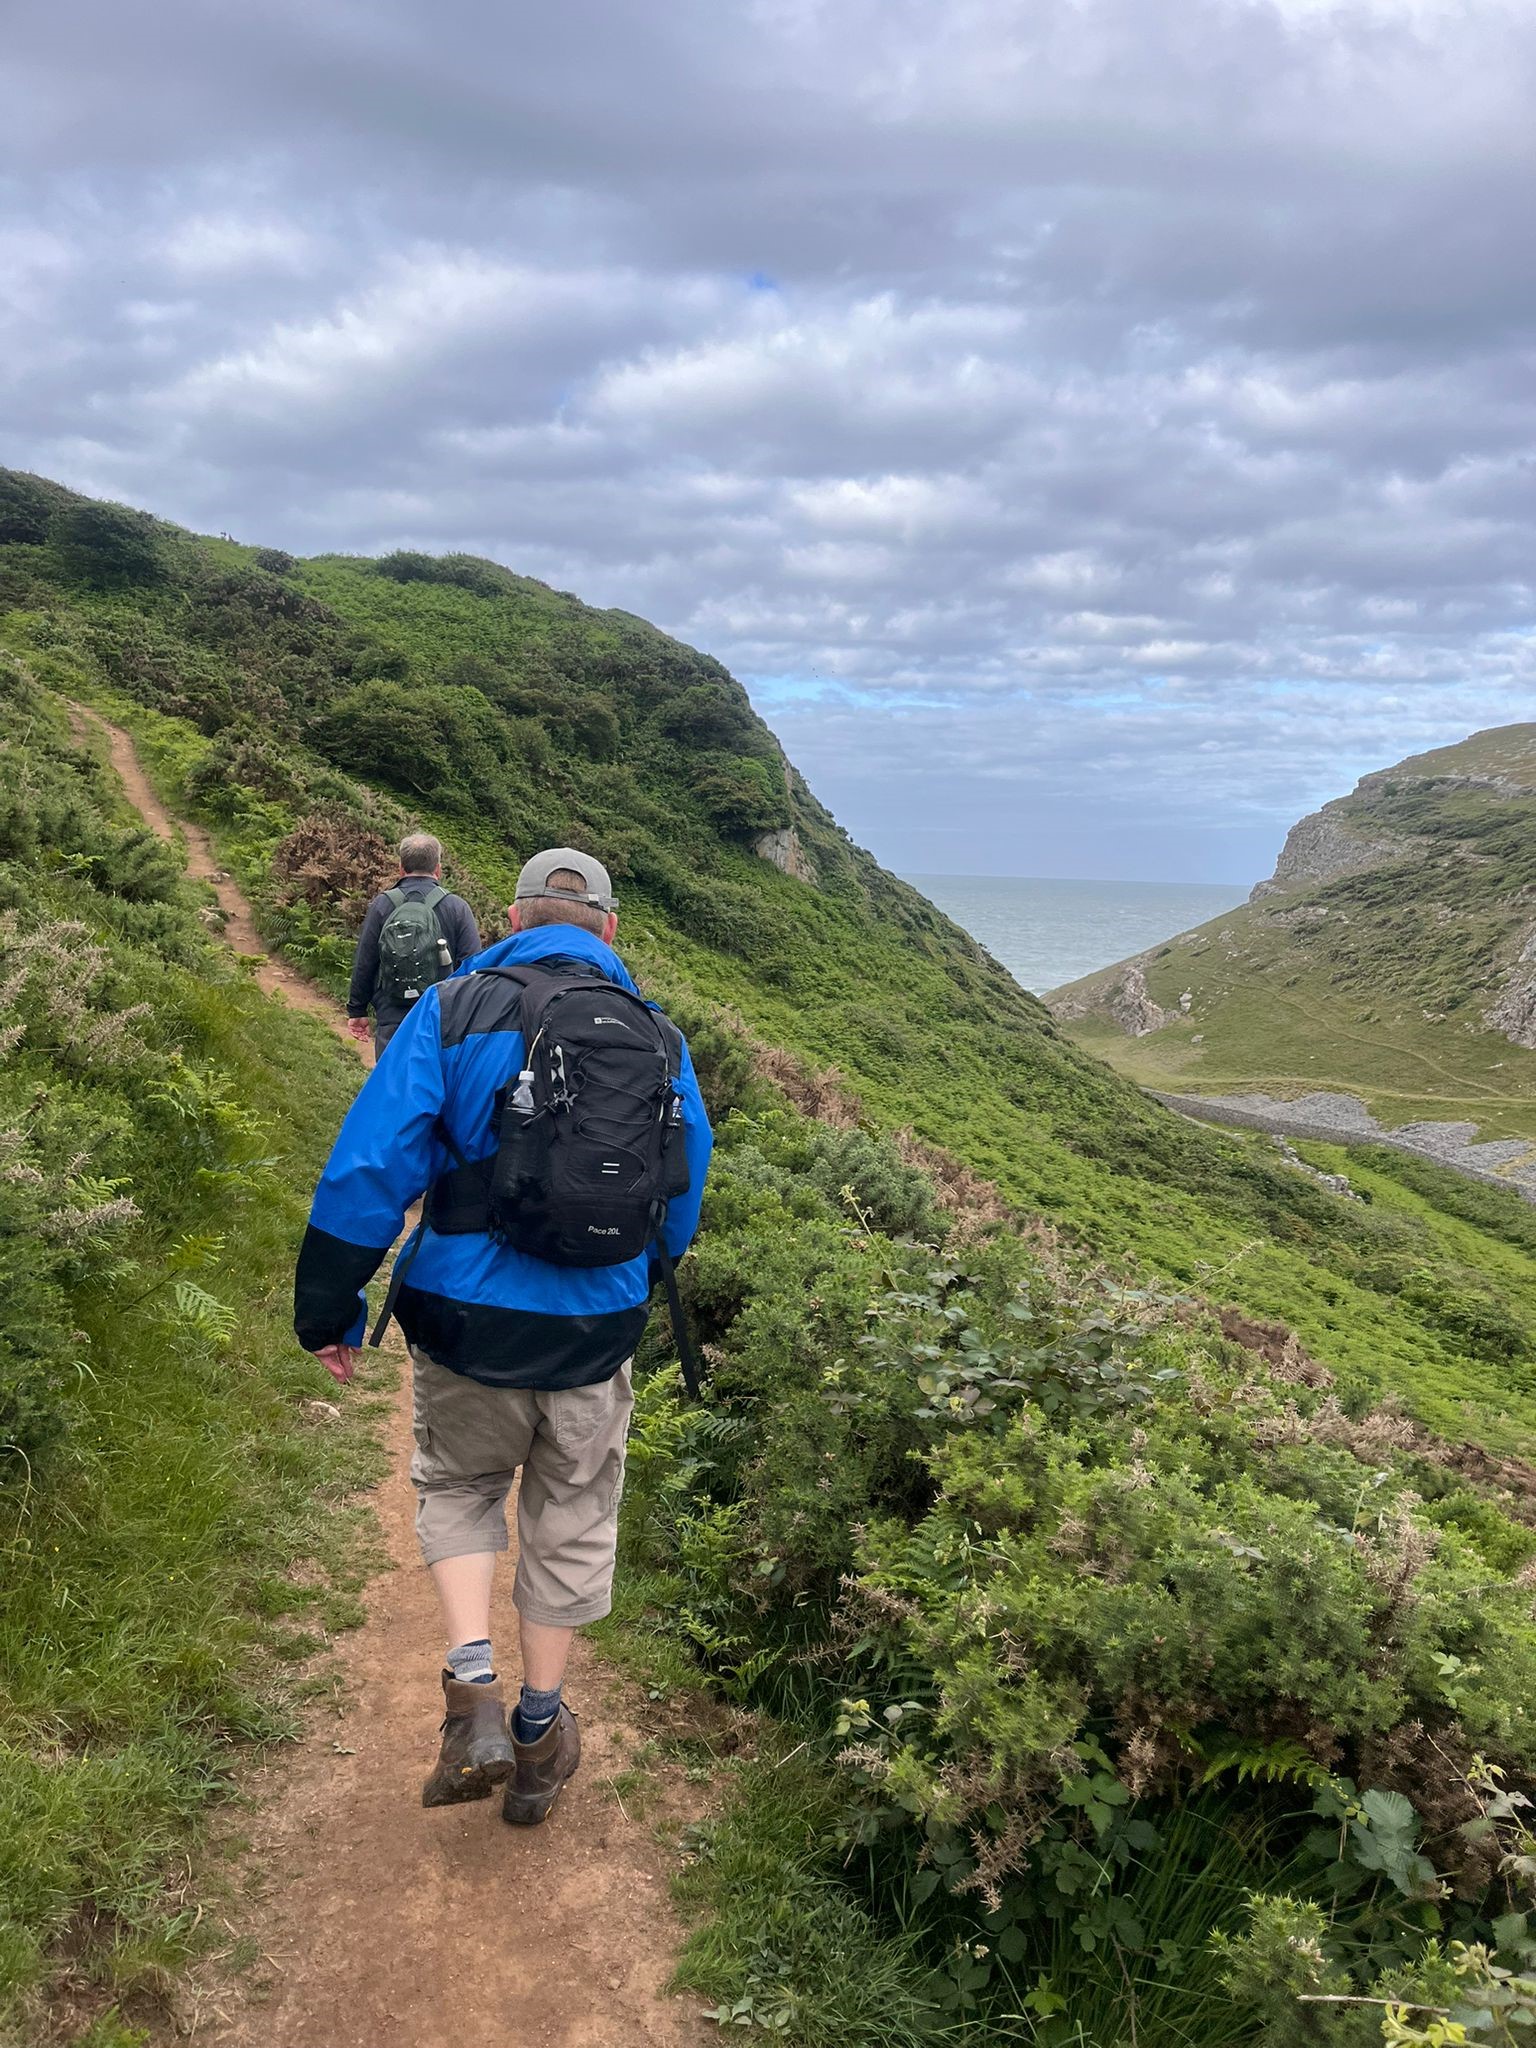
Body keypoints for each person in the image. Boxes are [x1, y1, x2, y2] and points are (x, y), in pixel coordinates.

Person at [294, 848, 714, 1825]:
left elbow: (369, 1168)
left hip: (465, 1321)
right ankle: (537, 1732)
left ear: (513, 920)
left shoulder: (451, 1010)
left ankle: (472, 1687)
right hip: (594, 1328)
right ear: (609, 931)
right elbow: (679, 1193)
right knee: (569, 1515)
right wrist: (634, 1285)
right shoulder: (659, 1035)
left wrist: (328, 1307)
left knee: (460, 1486)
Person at [347, 833, 481, 1053]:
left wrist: (357, 1010)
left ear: (401, 868)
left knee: (392, 1082)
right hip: (441, 1019)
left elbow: (366, 960)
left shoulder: (383, 904)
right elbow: (472, 966)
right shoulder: (457, 907)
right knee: (435, 1084)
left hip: (392, 1016)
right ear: (438, 869)